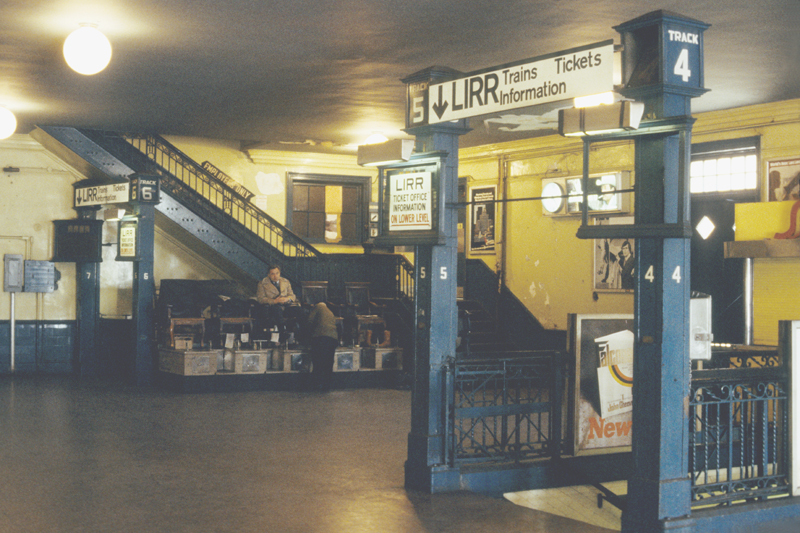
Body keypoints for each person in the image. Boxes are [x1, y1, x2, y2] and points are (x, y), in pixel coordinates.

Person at [255, 265, 301, 343]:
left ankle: (302, 336)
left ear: (279, 273)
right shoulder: (262, 283)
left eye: (277, 273)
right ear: (268, 275)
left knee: (300, 311)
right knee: (276, 309)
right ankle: (283, 332)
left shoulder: (285, 282)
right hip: (272, 307)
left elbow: (292, 295)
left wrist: (287, 298)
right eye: (272, 274)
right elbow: (260, 299)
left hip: (286, 305)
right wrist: (274, 301)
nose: (275, 276)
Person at [306, 302, 339, 392]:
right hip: (333, 339)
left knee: (318, 362)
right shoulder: (330, 312)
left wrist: (307, 336)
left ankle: (316, 385)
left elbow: (310, 321)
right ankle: (326, 386)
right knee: (328, 363)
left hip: (321, 337)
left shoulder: (318, 307)